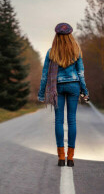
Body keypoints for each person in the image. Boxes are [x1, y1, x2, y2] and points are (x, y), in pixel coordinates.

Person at [37, 22, 89, 167]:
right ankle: (70, 158)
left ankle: (61, 158)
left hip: (57, 87)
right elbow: (81, 74)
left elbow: (45, 75)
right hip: (74, 85)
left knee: (59, 121)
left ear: (57, 36)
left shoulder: (51, 52)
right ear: (70, 36)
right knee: (72, 120)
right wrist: (85, 90)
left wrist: (41, 94)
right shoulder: (76, 50)